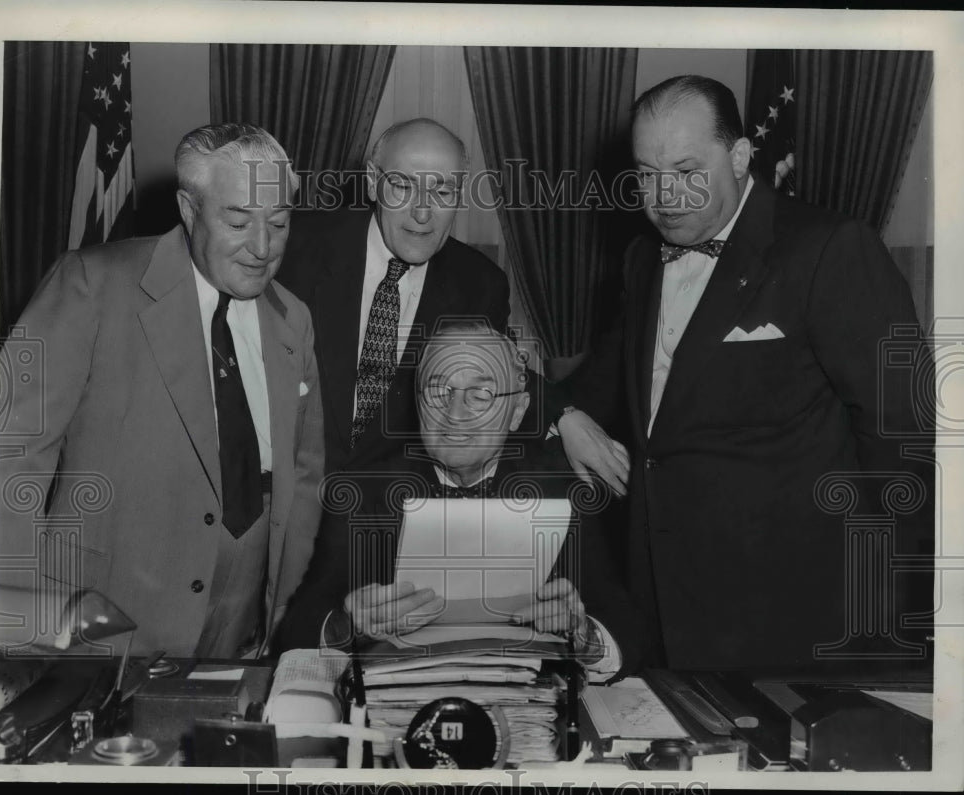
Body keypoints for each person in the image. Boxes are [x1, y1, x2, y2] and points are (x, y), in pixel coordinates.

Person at [563, 75, 933, 671]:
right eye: (647, 175)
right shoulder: (640, 259)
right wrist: (563, 414)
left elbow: (906, 441)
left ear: (739, 157)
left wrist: (887, 618)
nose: (666, 197)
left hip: (793, 617)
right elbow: (601, 387)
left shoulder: (830, 249)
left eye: (686, 171)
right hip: (660, 608)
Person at [0, 123, 325, 658]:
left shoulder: (294, 320)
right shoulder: (92, 284)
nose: (263, 247)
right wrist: (27, 614)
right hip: (99, 622)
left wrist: (285, 611)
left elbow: (305, 477)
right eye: (238, 221)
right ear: (189, 209)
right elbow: (8, 457)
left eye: (280, 222)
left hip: (239, 631)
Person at [274, 117, 626, 493]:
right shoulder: (295, 245)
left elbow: (504, 368)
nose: (422, 214)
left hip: (384, 507)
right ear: (373, 182)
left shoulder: (478, 283)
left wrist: (565, 416)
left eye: (442, 192)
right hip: (283, 499)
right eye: (402, 186)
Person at [274, 321, 642, 678]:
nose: (455, 414)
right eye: (438, 392)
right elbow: (297, 629)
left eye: (481, 395)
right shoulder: (366, 491)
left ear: (517, 412)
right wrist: (346, 624)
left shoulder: (562, 488)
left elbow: (628, 630)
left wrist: (584, 636)